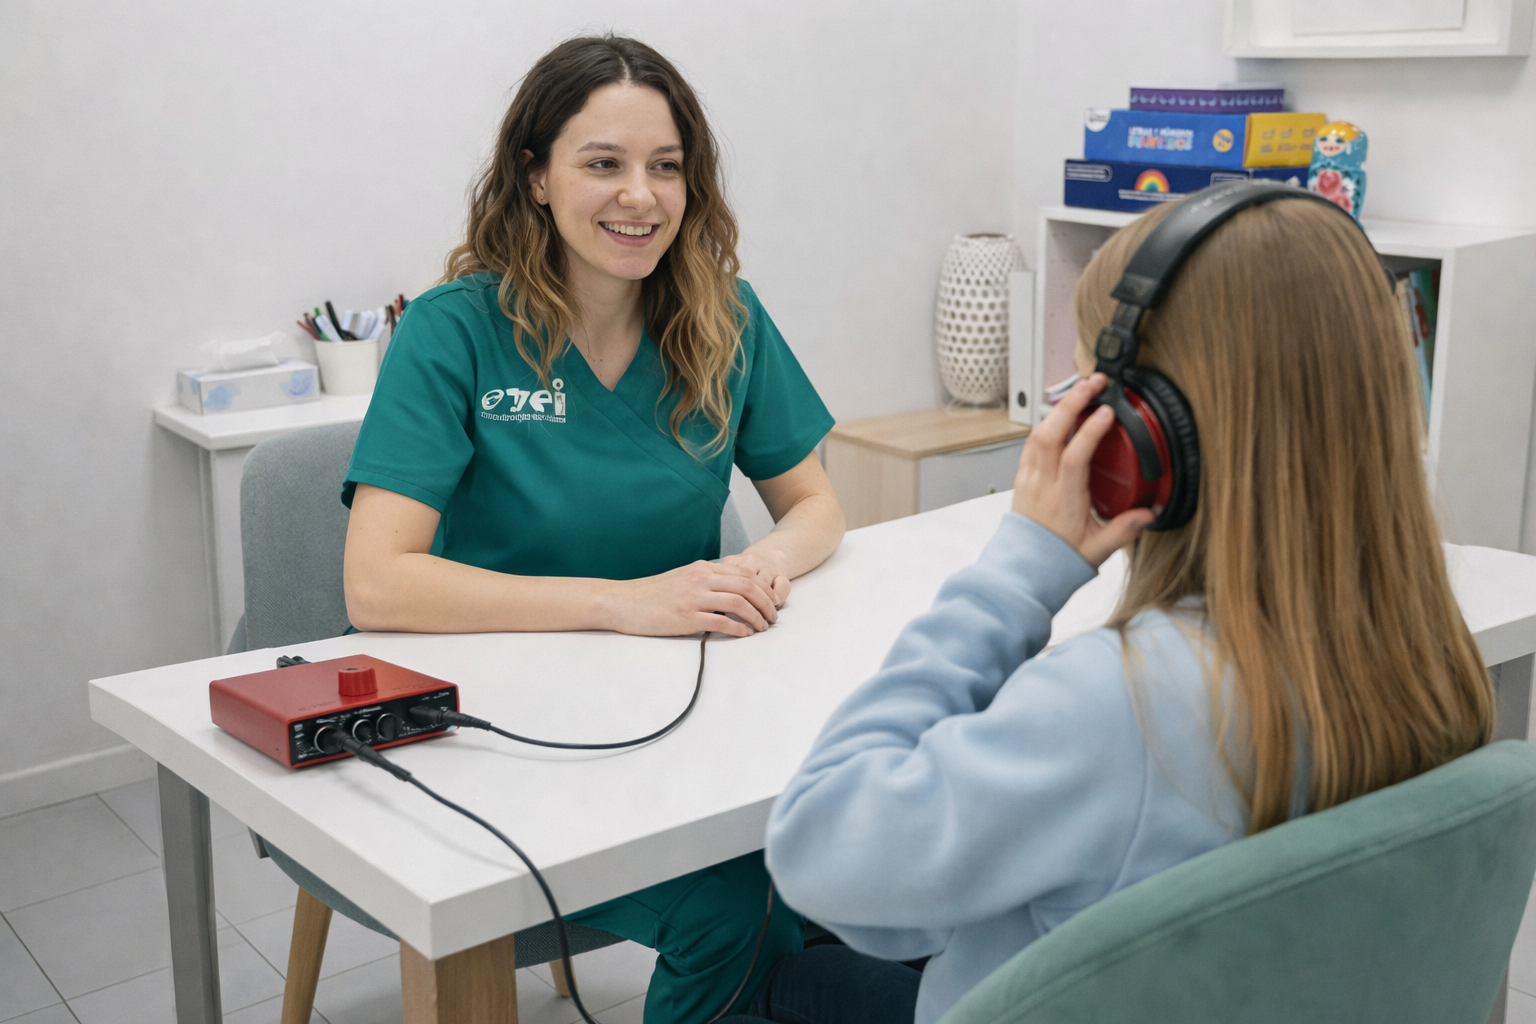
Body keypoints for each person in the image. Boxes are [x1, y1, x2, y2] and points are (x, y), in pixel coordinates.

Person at [744, 193, 1493, 1024]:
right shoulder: (1431, 655)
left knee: (759, 985)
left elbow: (820, 851)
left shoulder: (1122, 703)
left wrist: (1017, 574)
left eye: (1083, 390)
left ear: (1142, 438)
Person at [340, 35, 844, 1024]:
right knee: (735, 907)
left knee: (841, 853)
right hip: (502, 731)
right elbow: (378, 583)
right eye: (603, 163)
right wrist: (623, 604)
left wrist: (758, 568)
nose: (640, 196)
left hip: (678, 706)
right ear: (535, 176)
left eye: (667, 166)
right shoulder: (453, 330)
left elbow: (816, 505)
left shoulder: (726, 318)